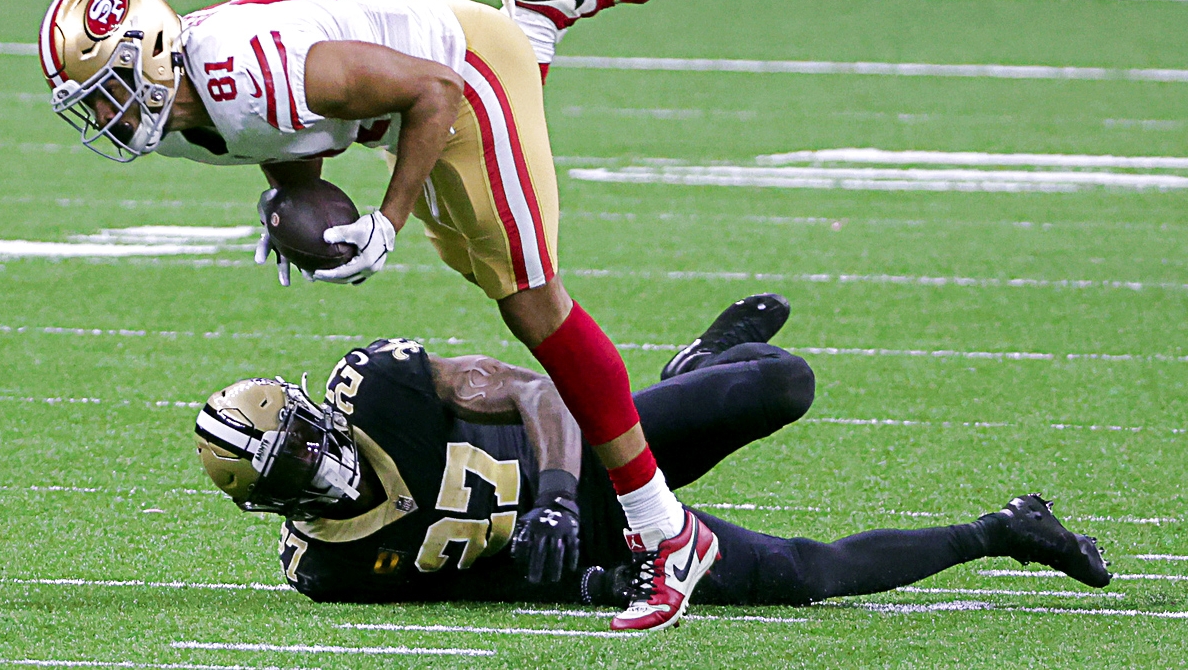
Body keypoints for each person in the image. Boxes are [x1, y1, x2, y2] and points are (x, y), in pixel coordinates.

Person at [40, 0, 705, 629]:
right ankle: (535, 11)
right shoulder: (187, 111)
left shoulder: (244, 75)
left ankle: (665, 533)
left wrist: (386, 223)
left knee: (531, 300)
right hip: (401, 96)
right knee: (474, 256)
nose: (108, 117)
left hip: (461, 69)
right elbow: (286, 130)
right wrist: (292, 198)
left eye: (111, 90)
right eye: (91, 104)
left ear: (153, 56)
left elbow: (432, 90)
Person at [192, 294, 1111, 624]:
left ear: (316, 413)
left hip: (589, 458)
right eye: (290, 474)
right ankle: (1004, 531)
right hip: (584, 548)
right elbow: (460, 590)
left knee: (783, 382)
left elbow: (539, 388)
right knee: (800, 579)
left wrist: (554, 495)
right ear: (267, 501)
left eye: (306, 444)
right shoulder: (327, 566)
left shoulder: (380, 390)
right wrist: (573, 578)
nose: (316, 467)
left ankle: (701, 366)